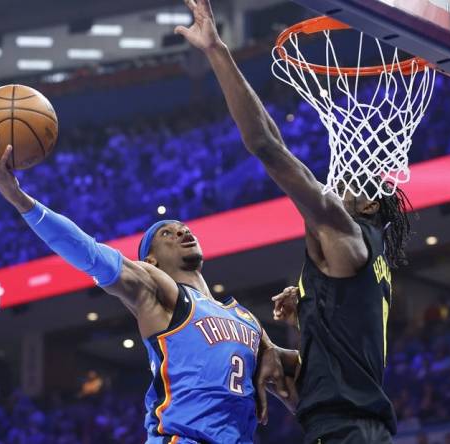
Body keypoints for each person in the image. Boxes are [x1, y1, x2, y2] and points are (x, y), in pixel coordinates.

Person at [177, 0, 413, 442]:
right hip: (348, 429)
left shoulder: (345, 234)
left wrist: (216, 51)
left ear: (367, 208)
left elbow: (267, 144)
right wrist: (296, 327)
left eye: (352, 185)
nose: (339, 181)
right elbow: (322, 376)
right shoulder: (362, 262)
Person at [0, 128, 293, 443]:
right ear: (149, 261)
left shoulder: (245, 318)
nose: (180, 231)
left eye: (182, 228)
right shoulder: (158, 291)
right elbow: (89, 253)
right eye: (167, 233)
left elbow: (297, 374)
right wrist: (17, 196)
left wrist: (312, 309)